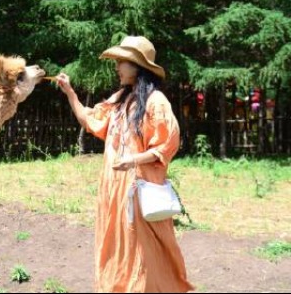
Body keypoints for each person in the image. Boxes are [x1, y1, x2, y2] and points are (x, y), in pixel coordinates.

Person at [55, 36, 193, 293]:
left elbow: (167, 144)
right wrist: (70, 92)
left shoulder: (156, 101)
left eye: (122, 62)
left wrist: (133, 159)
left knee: (142, 248)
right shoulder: (120, 99)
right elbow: (91, 121)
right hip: (113, 189)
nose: (117, 67)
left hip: (138, 190)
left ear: (138, 66)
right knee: (117, 243)